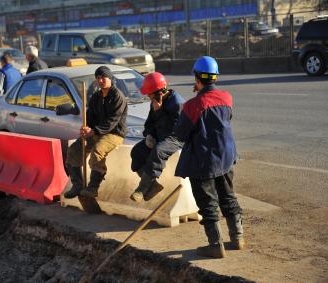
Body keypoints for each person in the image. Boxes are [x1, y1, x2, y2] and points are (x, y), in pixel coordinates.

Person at [174, 56, 244, 258]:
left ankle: (215, 245)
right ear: (215, 77)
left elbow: (180, 135)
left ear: (197, 78)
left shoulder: (192, 106)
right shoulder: (227, 98)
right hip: (226, 156)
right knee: (228, 197)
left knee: (208, 203)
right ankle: (238, 238)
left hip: (204, 162)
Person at [64, 66, 127, 199]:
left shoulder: (118, 96)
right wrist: (86, 128)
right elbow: (90, 117)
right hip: (96, 132)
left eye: (103, 77)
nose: (100, 80)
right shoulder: (96, 97)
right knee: (74, 150)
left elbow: (112, 121)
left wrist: (94, 131)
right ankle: (77, 185)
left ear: (110, 78)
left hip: (114, 134)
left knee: (97, 150)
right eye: (98, 78)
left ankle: (92, 188)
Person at [130, 72, 185, 202]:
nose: (148, 97)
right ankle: (153, 186)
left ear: (159, 92)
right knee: (137, 152)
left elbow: (174, 130)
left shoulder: (177, 103)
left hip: (176, 138)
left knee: (158, 151)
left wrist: (159, 111)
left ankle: (142, 189)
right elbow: (149, 123)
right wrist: (149, 135)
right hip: (160, 136)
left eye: (149, 94)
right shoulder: (155, 102)